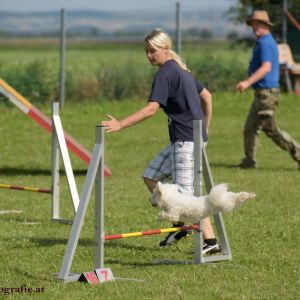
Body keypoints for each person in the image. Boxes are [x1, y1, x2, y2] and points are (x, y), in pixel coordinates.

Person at [102, 28, 220, 254]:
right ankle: (181, 226)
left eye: (152, 51)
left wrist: (120, 124)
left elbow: (151, 109)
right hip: (188, 139)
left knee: (189, 197)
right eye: (146, 51)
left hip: (186, 142)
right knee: (151, 176)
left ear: (166, 49)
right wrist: (204, 129)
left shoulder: (166, 73)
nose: (148, 55)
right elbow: (207, 96)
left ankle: (211, 242)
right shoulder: (181, 70)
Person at [236, 10, 300, 170]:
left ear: (266, 25)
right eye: (253, 24)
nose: (254, 27)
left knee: (271, 130)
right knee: (250, 128)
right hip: (263, 93)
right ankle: (249, 161)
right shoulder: (265, 41)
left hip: (267, 94)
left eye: (258, 24)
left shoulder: (265, 43)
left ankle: (298, 153)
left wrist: (247, 82)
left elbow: (266, 68)